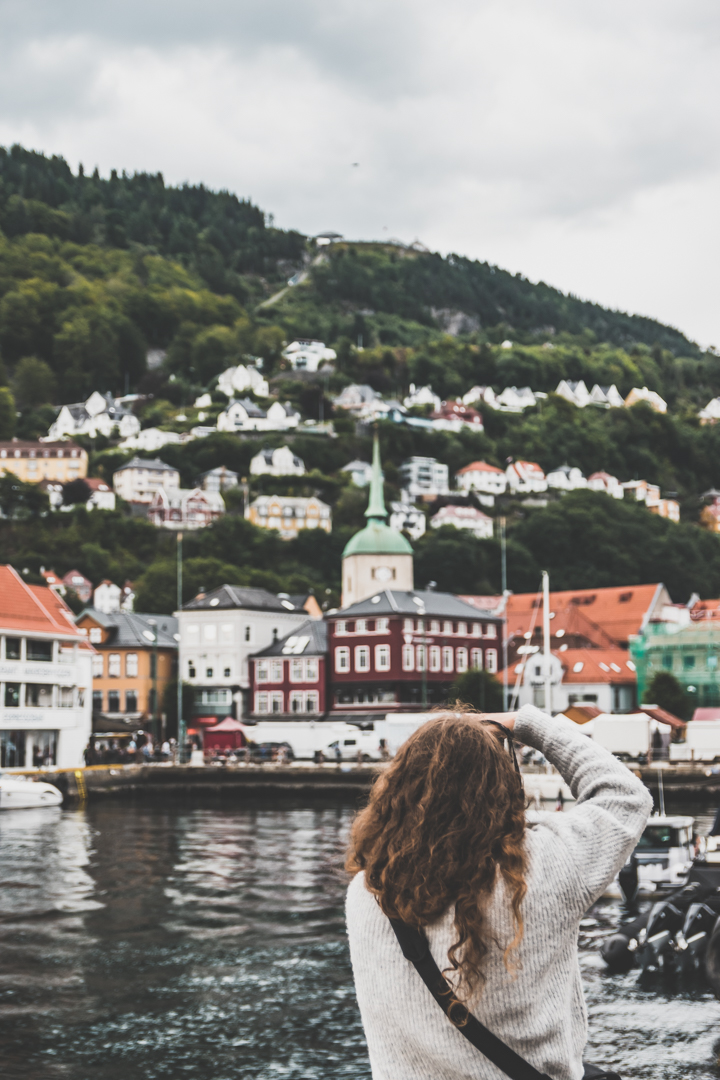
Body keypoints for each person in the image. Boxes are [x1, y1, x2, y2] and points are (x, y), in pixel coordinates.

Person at [345, 704, 652, 1080]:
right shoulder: (543, 866)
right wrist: (528, 724)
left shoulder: (367, 892)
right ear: (501, 785)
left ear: (399, 788)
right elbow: (626, 797)